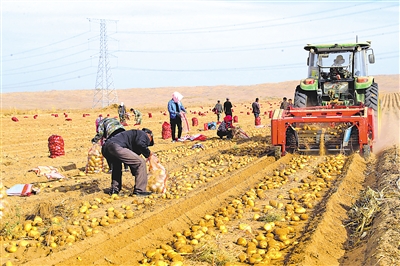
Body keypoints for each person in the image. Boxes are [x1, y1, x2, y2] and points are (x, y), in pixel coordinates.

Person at [101, 128, 155, 196]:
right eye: (149, 142)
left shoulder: (132, 138)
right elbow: (140, 144)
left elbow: (131, 163)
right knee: (141, 162)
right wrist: (148, 153)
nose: (147, 143)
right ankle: (140, 190)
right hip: (115, 146)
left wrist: (136, 173)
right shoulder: (143, 134)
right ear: (149, 135)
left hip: (105, 148)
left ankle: (115, 189)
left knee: (117, 166)